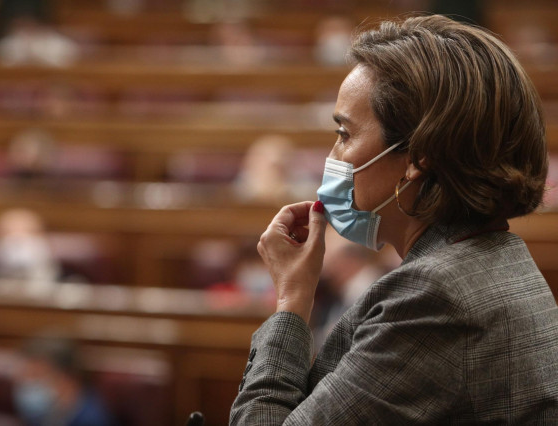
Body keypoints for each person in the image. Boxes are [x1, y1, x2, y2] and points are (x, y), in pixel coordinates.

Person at [230, 15, 558, 424]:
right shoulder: (496, 260)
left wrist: (291, 302)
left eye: (345, 135)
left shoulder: (436, 299)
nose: (332, 158)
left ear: (417, 160)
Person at [13, 337, 115, 426]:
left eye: (36, 375)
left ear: (65, 377)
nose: (28, 383)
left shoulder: (92, 420)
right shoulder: (46, 413)